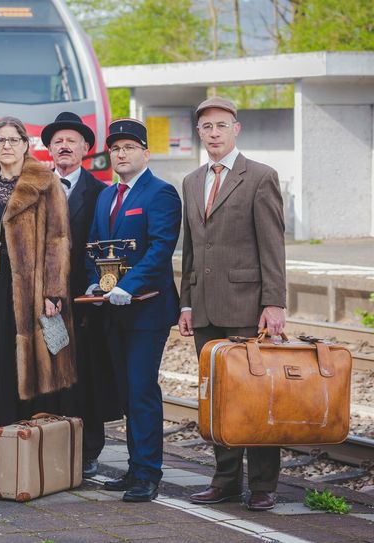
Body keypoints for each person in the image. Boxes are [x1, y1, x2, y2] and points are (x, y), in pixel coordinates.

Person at [0, 116, 75, 484]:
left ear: (26, 144)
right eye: (0, 140)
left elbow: (58, 239)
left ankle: (18, 460)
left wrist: (54, 291)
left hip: (26, 290)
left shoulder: (45, 183)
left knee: (18, 367)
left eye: (14, 139)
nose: (7, 145)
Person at [180, 97, 286, 512]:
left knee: (257, 398)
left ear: (236, 129)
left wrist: (274, 303)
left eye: (222, 125)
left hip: (247, 307)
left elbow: (272, 246)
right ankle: (224, 481)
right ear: (200, 133)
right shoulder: (192, 181)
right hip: (204, 309)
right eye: (207, 127)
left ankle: (263, 484)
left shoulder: (260, 177)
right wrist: (186, 302)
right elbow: (190, 248)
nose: (214, 134)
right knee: (217, 398)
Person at [85, 119, 181, 502]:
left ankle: (148, 474)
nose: (121, 154)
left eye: (128, 147)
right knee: (124, 393)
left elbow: (161, 250)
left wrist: (128, 285)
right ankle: (134, 466)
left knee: (141, 391)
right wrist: (97, 282)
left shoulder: (161, 193)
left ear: (145, 152)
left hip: (146, 311)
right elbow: (95, 245)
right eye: (115, 148)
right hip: (113, 309)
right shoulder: (107, 196)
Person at [41, 111, 120, 479]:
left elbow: (107, 246)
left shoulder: (103, 193)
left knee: (86, 377)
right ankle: (49, 445)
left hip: (85, 301)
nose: (64, 146)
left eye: (71, 140)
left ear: (86, 148)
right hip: (43, 300)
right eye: (57, 141)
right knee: (48, 376)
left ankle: (89, 451)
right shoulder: (37, 187)